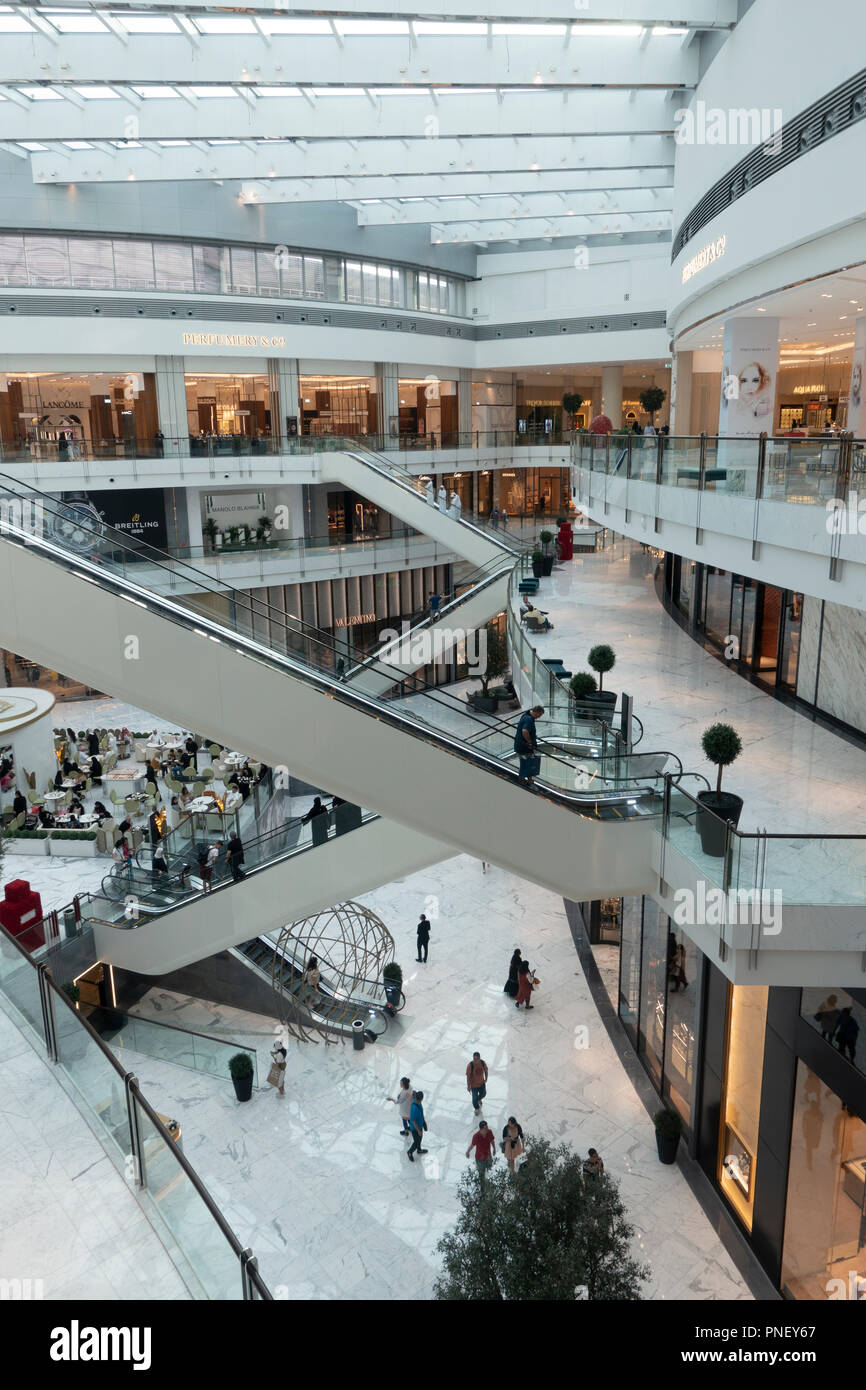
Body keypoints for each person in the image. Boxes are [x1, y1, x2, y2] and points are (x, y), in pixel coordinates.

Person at [514, 705, 544, 786]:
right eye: (539, 715)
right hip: (524, 747)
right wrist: (530, 742)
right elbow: (524, 731)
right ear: (536, 712)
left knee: (528, 763)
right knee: (525, 763)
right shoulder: (529, 719)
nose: (539, 717)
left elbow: (526, 730)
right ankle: (521, 781)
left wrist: (533, 735)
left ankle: (529, 779)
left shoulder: (526, 715)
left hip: (521, 745)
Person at [407, 1090, 428, 1161]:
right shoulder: (414, 1108)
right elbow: (413, 1121)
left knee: (420, 1138)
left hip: (420, 1125)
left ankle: (419, 1150)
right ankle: (409, 1152)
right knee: (416, 1142)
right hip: (415, 1128)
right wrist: (418, 1130)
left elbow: (421, 1113)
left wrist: (424, 1123)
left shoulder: (419, 1103)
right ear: (422, 1098)